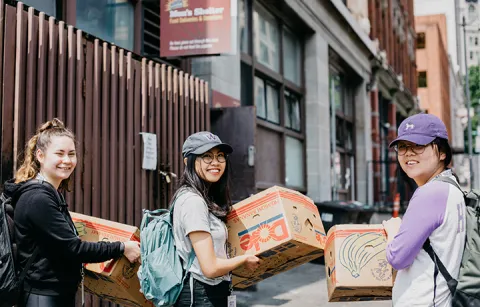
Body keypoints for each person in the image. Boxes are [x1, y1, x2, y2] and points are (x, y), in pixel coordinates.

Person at [3, 118, 141, 307]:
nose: (67, 161)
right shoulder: (38, 199)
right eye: (59, 154)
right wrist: (122, 247)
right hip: (41, 296)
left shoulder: (49, 194)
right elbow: (74, 249)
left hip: (53, 294)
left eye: (71, 154)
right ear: (40, 156)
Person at [383, 114, 466, 307]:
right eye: (402, 146)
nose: (408, 153)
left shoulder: (429, 194)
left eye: (418, 145)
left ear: (442, 152)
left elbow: (397, 258)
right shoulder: (451, 187)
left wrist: (394, 230)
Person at [172, 131, 261, 307]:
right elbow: (210, 267)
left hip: (212, 293)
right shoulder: (193, 202)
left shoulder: (206, 200)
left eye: (220, 156)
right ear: (187, 161)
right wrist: (244, 259)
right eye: (207, 156)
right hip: (200, 296)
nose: (215, 162)